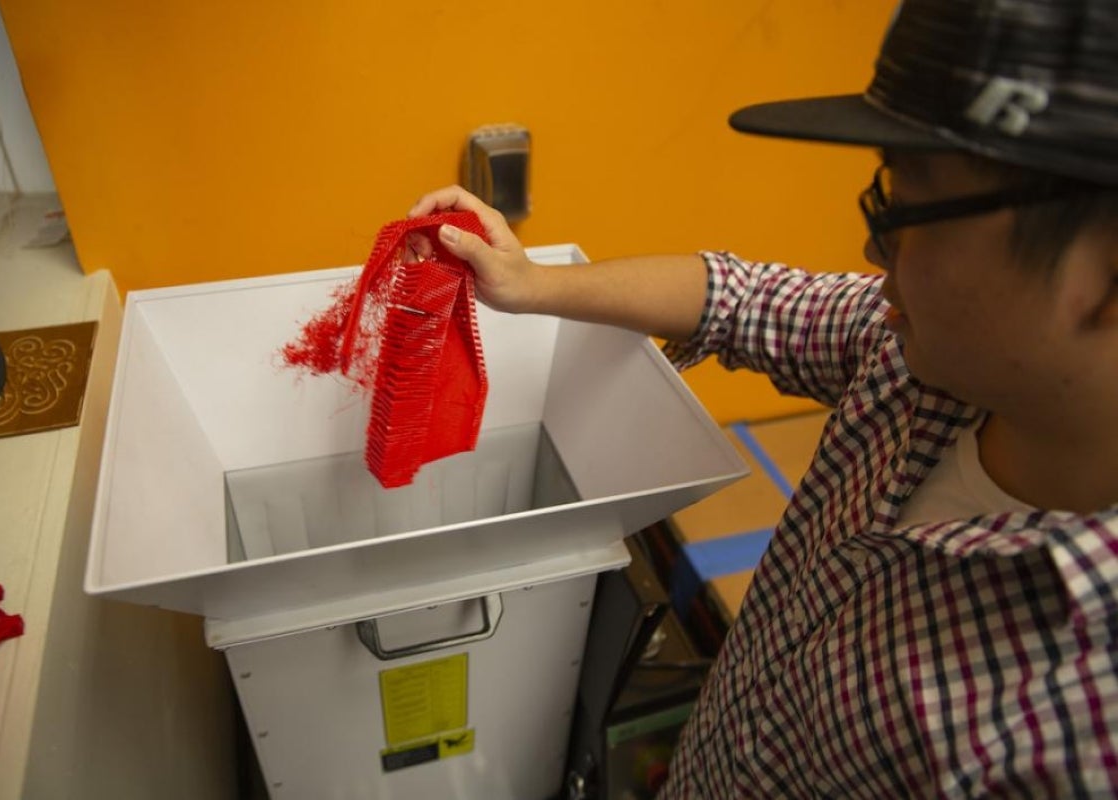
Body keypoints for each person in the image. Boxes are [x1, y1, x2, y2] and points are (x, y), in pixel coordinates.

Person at [409, 0, 1118, 795]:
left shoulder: (1075, 738)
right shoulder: (919, 361)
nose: (872, 248)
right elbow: (741, 298)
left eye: (906, 208)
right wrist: (532, 282)